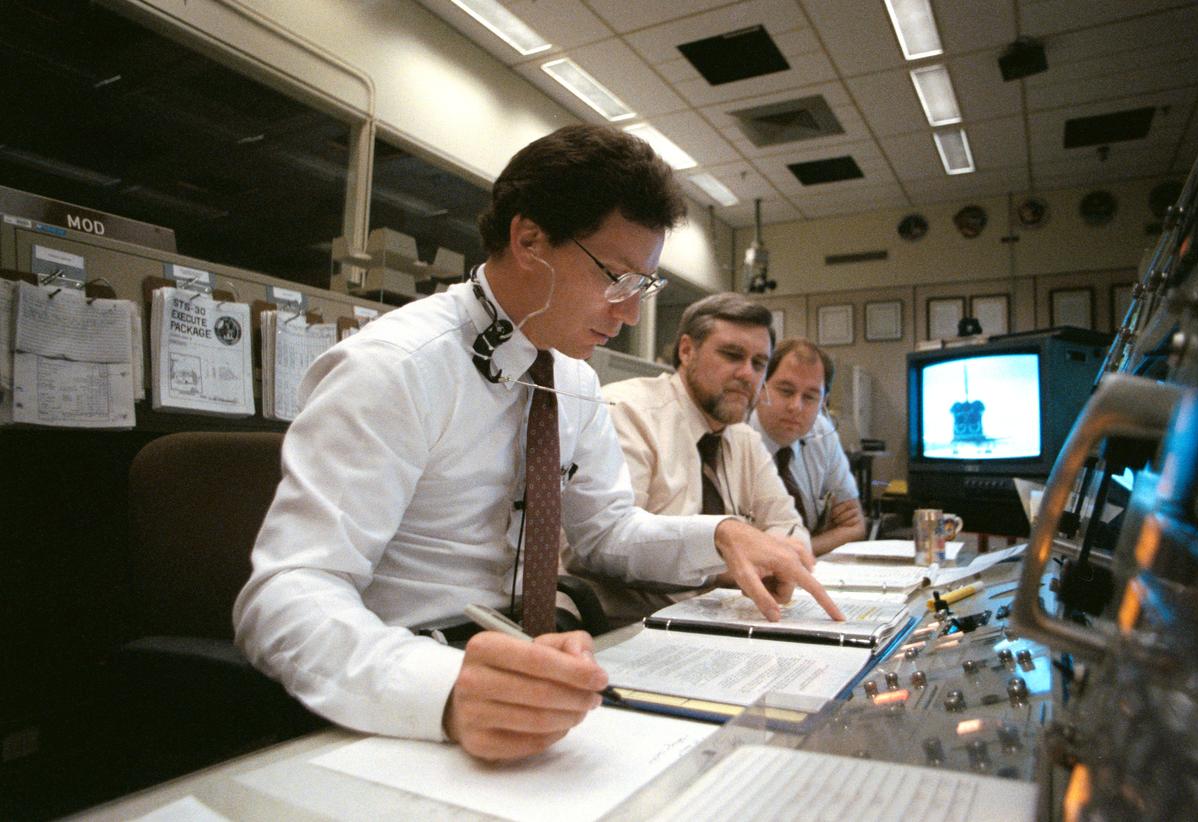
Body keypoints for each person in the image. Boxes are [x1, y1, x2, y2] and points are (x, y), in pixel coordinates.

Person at [232, 124, 842, 763]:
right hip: (399, 678)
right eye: (616, 277)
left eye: (645, 286)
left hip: (523, 661)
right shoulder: (393, 367)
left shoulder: (572, 376)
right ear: (529, 241)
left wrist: (716, 535)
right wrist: (439, 689)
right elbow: (284, 595)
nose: (631, 313)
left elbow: (606, 533)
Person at [565, 294, 811, 627]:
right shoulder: (626, 411)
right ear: (686, 351)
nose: (746, 374)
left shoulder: (744, 438)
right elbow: (606, 549)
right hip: (633, 626)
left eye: (758, 363)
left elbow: (788, 524)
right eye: (731, 355)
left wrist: (781, 550)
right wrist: (722, 551)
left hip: (723, 619)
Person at [750, 338, 867, 556]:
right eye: (786, 391)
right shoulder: (732, 436)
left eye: (810, 397)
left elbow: (854, 528)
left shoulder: (822, 433)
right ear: (760, 388)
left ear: (824, 402)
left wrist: (788, 553)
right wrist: (824, 541)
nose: (796, 406)